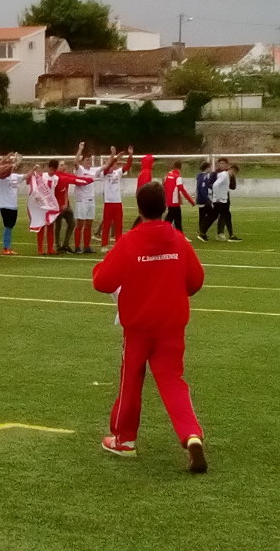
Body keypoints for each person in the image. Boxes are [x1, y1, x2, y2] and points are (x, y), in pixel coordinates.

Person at [92, 181, 207, 474]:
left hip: (139, 326)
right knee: (173, 381)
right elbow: (195, 281)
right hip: (171, 324)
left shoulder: (129, 241)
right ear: (165, 207)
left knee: (131, 380)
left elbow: (102, 282)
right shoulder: (178, 239)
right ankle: (191, 434)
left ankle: (124, 439)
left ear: (139, 208)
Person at [100, 147, 134, 251]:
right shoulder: (104, 174)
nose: (114, 166)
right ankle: (104, 245)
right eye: (112, 165)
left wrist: (130, 155)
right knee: (107, 224)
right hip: (108, 202)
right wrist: (116, 157)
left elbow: (127, 166)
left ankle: (118, 244)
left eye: (115, 165)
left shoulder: (118, 173)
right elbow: (107, 167)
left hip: (118, 202)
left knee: (119, 224)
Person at [73, 142, 102, 255]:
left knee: (89, 224)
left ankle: (86, 246)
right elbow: (75, 162)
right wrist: (80, 149)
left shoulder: (94, 170)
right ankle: (77, 247)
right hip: (81, 200)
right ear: (83, 161)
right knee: (80, 224)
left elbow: (106, 166)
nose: (89, 162)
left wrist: (113, 155)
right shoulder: (80, 169)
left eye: (90, 160)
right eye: (87, 160)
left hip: (91, 200)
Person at [204, 160, 241, 242]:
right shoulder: (219, 174)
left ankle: (204, 232)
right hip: (219, 199)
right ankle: (229, 235)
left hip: (223, 198)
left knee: (217, 216)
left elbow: (232, 186)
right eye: (220, 163)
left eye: (223, 163)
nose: (222, 165)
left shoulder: (228, 175)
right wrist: (217, 196)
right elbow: (213, 185)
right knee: (224, 216)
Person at [0, 154, 25, 255]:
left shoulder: (15, 176)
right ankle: (6, 247)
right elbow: (5, 173)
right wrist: (14, 164)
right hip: (4, 205)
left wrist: (33, 169)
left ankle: (8, 247)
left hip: (13, 205)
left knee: (10, 226)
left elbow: (25, 176)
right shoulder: (2, 177)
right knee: (7, 226)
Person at [163, 160, 195, 234]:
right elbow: (182, 190)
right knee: (177, 220)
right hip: (175, 202)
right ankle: (179, 235)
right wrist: (191, 201)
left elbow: (164, 186)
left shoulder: (168, 175)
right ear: (180, 168)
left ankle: (164, 232)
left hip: (169, 201)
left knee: (171, 218)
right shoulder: (178, 177)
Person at [194, 161, 214, 242]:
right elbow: (202, 189)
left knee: (202, 215)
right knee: (212, 214)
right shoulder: (204, 176)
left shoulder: (200, 176)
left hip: (200, 199)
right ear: (207, 168)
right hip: (203, 199)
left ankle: (201, 232)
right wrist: (207, 200)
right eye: (210, 167)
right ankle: (202, 232)